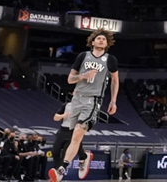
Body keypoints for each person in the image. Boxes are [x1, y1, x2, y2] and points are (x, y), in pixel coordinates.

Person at [47, 30, 120, 182]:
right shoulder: (83, 56)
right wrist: (83, 76)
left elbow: (115, 80)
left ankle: (61, 169)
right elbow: (70, 79)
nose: (101, 40)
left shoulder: (110, 59)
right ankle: (84, 157)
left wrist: (113, 101)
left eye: (104, 39)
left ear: (107, 44)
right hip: (77, 99)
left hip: (92, 100)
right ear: (92, 42)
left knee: (78, 132)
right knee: (74, 137)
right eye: (98, 38)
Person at [48, 102, 91, 181]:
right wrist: (64, 115)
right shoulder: (67, 105)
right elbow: (55, 117)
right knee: (55, 151)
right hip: (63, 130)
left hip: (73, 130)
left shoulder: (84, 105)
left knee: (66, 153)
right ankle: (84, 156)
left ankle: (58, 172)